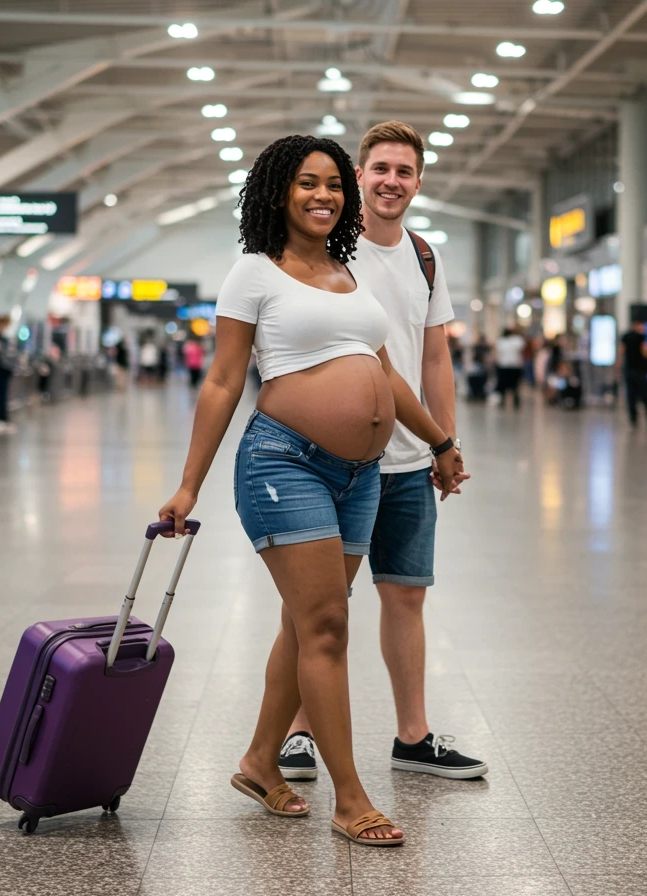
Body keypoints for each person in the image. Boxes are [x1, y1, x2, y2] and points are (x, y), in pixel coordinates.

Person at [157, 134, 464, 847]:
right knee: (327, 626)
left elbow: (385, 372)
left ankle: (262, 761)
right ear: (278, 193)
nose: (323, 195)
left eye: (332, 185)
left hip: (360, 477)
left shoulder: (348, 272)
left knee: (306, 623)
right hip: (283, 465)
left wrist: (441, 443)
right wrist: (187, 486)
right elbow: (225, 381)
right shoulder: (253, 273)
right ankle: (351, 797)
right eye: (307, 184)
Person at [275, 121, 484, 786]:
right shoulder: (328, 250)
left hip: (408, 464)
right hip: (338, 460)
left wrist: (443, 443)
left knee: (406, 596)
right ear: (359, 177)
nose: (392, 180)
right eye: (381, 169)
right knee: (317, 603)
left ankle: (413, 737)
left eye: (405, 171)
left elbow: (434, 353)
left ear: (418, 183)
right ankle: (298, 731)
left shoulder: (425, 256)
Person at [619, 319, 647, 427]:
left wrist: (618, 367)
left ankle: (633, 416)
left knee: (631, 394)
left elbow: (621, 351)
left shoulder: (626, 336)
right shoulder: (642, 337)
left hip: (630, 369)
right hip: (640, 370)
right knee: (644, 393)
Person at [493, 327, 526, 408]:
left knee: (503, 384)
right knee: (514, 384)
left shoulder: (501, 341)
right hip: (515, 365)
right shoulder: (517, 340)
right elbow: (522, 350)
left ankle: (503, 400)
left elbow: (497, 352)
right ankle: (516, 400)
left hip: (504, 365)